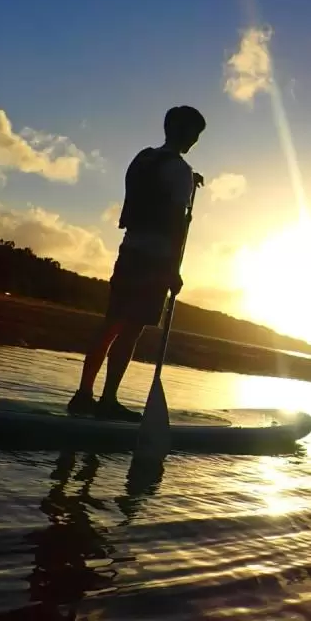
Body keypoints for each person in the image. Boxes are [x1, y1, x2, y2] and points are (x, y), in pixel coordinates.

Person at [67, 106, 206, 421]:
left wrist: (187, 179)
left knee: (111, 323)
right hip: (155, 260)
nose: (196, 140)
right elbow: (173, 222)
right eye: (195, 134)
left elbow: (154, 190)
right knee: (130, 331)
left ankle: (83, 395)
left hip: (129, 251)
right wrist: (172, 271)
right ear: (184, 131)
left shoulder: (143, 159)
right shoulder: (180, 170)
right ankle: (108, 402)